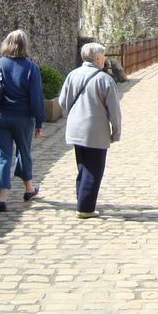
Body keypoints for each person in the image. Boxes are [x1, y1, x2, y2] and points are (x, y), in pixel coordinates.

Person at [0, 29, 43, 213]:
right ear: (25, 46)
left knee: (1, 156)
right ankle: (29, 188)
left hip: (0, 117)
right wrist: (39, 122)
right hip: (23, 118)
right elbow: (36, 98)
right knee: (24, 152)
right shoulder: (31, 68)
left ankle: (3, 198)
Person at [58, 42, 122, 219]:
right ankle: (85, 208)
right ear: (98, 58)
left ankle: (81, 200)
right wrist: (116, 132)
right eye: (103, 56)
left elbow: (62, 102)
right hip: (95, 131)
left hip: (75, 129)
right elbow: (114, 111)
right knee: (94, 169)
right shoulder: (104, 79)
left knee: (83, 166)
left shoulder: (72, 75)